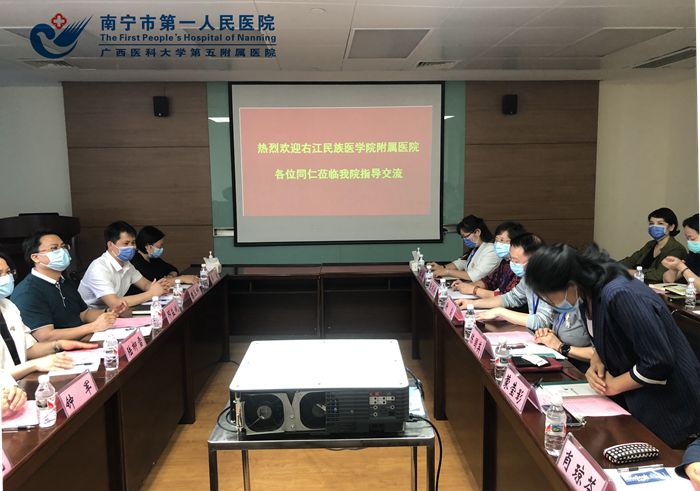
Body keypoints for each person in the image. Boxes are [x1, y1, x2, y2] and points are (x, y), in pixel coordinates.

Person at [526, 243, 700, 448]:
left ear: (569, 283)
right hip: (637, 399)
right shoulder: (587, 292)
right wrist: (598, 360)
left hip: (670, 407)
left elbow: (658, 362)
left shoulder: (620, 293)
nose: (548, 301)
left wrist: (614, 385)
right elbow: (611, 333)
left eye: (547, 295)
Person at [0, 250, 97, 380]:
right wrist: (34, 365)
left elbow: (28, 349)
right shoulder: (27, 291)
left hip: (20, 384)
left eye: (8, 272)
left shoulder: (7, 305)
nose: (6, 278)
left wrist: (59, 345)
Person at [12, 232, 124, 342]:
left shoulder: (63, 281)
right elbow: (46, 336)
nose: (62, 251)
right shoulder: (28, 292)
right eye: (54, 248)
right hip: (60, 349)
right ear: (36, 257)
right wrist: (92, 327)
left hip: (82, 339)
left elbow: (83, 314)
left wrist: (108, 313)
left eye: (63, 247)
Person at [456, 233, 554, 330]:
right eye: (511, 259)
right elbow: (510, 298)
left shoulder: (550, 281)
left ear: (534, 259)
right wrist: (471, 304)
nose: (512, 264)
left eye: (516, 261)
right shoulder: (528, 277)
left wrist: (501, 312)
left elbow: (543, 321)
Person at [78, 221, 168, 310]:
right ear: (110, 245)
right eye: (126, 243)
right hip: (91, 315)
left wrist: (158, 286)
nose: (132, 247)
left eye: (133, 243)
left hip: (113, 312)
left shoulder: (126, 264)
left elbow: (145, 285)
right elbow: (115, 303)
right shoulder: (99, 268)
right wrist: (151, 293)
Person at [451, 221, 524, 298]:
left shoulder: (520, 268)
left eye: (502, 240)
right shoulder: (505, 262)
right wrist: (465, 286)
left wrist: (474, 290)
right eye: (497, 240)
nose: (498, 244)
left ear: (515, 243)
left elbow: (507, 297)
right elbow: (489, 281)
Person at [619, 207, 687, 283]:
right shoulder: (650, 244)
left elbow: (659, 275)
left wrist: (630, 272)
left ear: (671, 227)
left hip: (657, 288)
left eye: (660, 223)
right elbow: (631, 260)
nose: (654, 227)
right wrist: (614, 267)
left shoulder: (676, 249)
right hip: (638, 283)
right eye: (651, 223)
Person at [430, 215, 500, 282]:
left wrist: (447, 271)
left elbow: (476, 275)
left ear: (477, 232)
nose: (464, 240)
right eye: (462, 237)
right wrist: (442, 268)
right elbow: (463, 262)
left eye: (466, 236)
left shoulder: (491, 250)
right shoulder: (476, 248)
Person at [131, 226, 199, 285]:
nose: (161, 249)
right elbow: (154, 283)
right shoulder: (136, 261)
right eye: (159, 247)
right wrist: (181, 279)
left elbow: (172, 269)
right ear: (148, 247)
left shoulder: (153, 258)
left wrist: (171, 276)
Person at [662, 213, 700, 283]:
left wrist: (681, 267)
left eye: (692, 239)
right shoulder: (693, 256)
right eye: (687, 239)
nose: (689, 242)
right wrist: (674, 268)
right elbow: (667, 280)